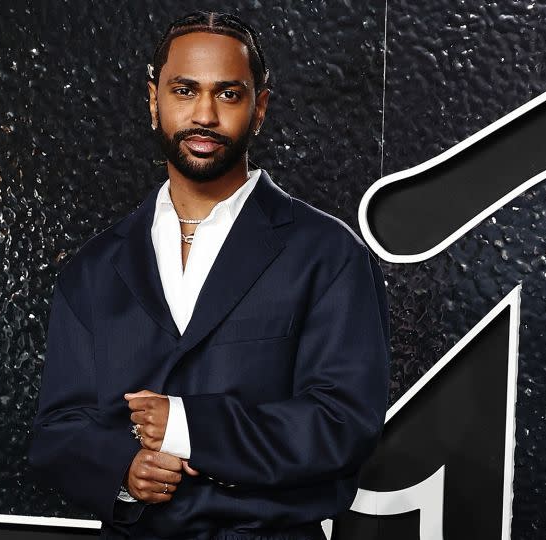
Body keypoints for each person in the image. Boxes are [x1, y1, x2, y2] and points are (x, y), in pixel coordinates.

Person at [28, 11, 391, 540]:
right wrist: (124, 472)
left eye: (228, 94)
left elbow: (342, 424)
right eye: (183, 90)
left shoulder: (328, 255)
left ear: (259, 107)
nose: (204, 114)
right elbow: (58, 432)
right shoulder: (93, 268)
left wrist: (188, 427)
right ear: (154, 101)